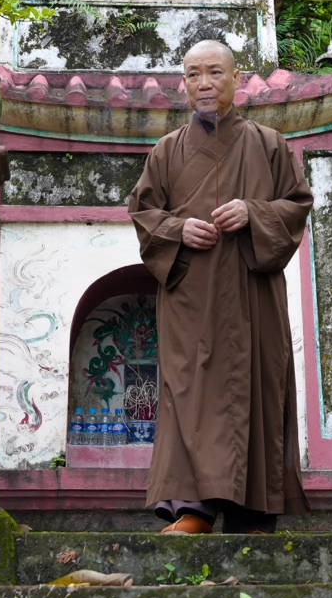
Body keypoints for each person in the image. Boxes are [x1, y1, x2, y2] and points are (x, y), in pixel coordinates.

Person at [127, 39, 313, 534]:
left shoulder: (270, 144)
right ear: (183, 84)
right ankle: (194, 511)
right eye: (193, 75)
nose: (204, 83)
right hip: (191, 299)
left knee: (258, 389)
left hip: (254, 296)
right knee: (189, 393)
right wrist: (177, 230)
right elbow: (144, 216)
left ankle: (254, 513)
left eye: (214, 72)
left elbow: (296, 206)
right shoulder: (166, 151)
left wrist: (254, 213)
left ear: (236, 78)